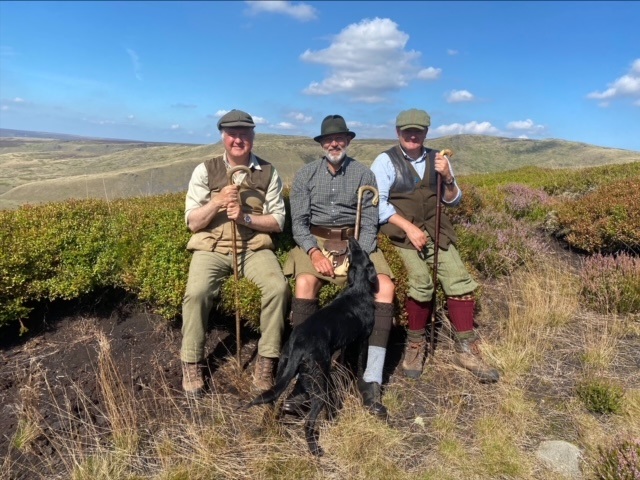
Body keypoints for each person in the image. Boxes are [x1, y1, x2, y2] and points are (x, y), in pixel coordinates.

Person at [370, 108, 499, 383]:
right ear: (398, 132)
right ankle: (416, 344)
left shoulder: (438, 159)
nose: (412, 135)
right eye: (407, 131)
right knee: (420, 282)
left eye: (418, 131)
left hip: (436, 232)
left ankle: (465, 348)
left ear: (426, 132)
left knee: (460, 281)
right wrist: (408, 226)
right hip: (399, 235)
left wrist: (449, 178)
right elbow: (377, 204)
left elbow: (453, 200)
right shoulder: (384, 161)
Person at [283, 114, 396, 418]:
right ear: (321, 144)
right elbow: (300, 225)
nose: (334, 143)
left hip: (357, 244)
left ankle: (370, 379)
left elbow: (370, 224)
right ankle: (305, 382)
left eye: (340, 139)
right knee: (306, 283)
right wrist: (313, 252)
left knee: (385, 288)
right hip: (317, 242)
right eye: (328, 139)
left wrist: (357, 253)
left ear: (348, 141)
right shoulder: (306, 175)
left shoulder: (363, 175)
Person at [180, 109, 290, 397]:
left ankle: (266, 360)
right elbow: (193, 222)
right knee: (197, 292)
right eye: (232, 134)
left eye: (244, 134)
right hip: (213, 247)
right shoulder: (205, 170)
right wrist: (216, 202)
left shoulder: (269, 172)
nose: (238, 139)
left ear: (253, 137)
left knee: (278, 288)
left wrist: (245, 219)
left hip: (253, 247)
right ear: (223, 138)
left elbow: (278, 221)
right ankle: (191, 361)